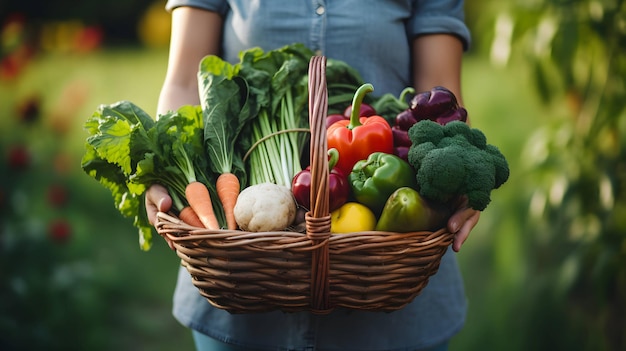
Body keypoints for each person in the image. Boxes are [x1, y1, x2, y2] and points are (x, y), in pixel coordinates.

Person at [145, 1, 481, 350]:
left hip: (398, 304)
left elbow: (442, 104)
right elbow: (184, 81)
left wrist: (461, 174)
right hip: (235, 292)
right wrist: (163, 168)